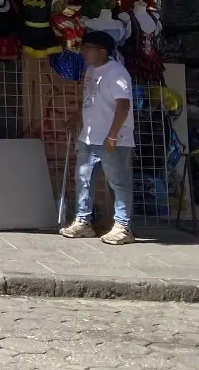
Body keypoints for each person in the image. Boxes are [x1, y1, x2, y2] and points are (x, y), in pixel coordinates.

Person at [60, 31, 136, 246]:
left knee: (118, 182)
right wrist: (76, 118)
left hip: (113, 137)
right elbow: (90, 99)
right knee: (83, 179)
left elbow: (123, 105)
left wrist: (112, 135)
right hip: (90, 136)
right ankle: (83, 222)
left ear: (101, 51)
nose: (83, 52)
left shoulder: (117, 73)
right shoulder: (92, 70)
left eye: (87, 48)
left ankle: (123, 226)